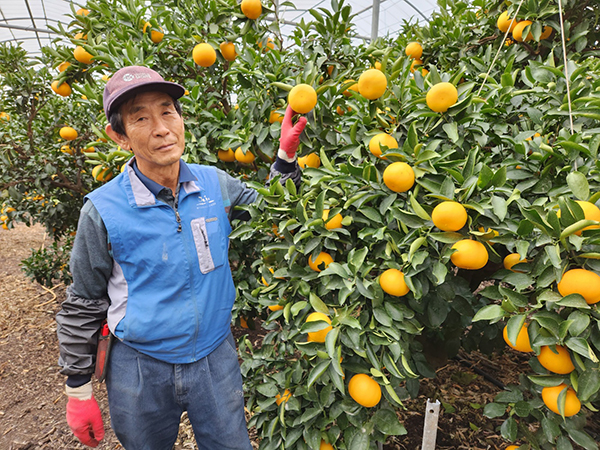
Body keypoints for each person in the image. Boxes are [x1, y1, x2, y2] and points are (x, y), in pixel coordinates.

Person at [56, 65, 307, 449]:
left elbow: (271, 212)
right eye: (140, 117)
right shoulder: (103, 210)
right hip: (140, 367)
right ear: (119, 136)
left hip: (214, 357)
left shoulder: (215, 184)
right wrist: (78, 389)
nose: (161, 128)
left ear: (181, 118)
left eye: (167, 111)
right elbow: (84, 301)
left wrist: (285, 158)